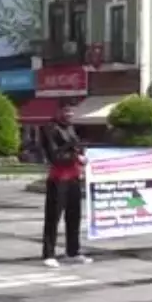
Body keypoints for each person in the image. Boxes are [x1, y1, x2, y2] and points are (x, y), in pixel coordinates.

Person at [40, 105, 91, 268]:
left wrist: (80, 154)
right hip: (58, 178)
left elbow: (75, 148)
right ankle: (48, 254)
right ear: (58, 111)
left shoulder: (71, 128)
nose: (70, 114)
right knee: (53, 217)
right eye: (66, 111)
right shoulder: (49, 129)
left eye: (72, 111)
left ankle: (73, 251)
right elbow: (54, 156)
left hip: (74, 177)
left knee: (74, 216)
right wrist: (75, 155)